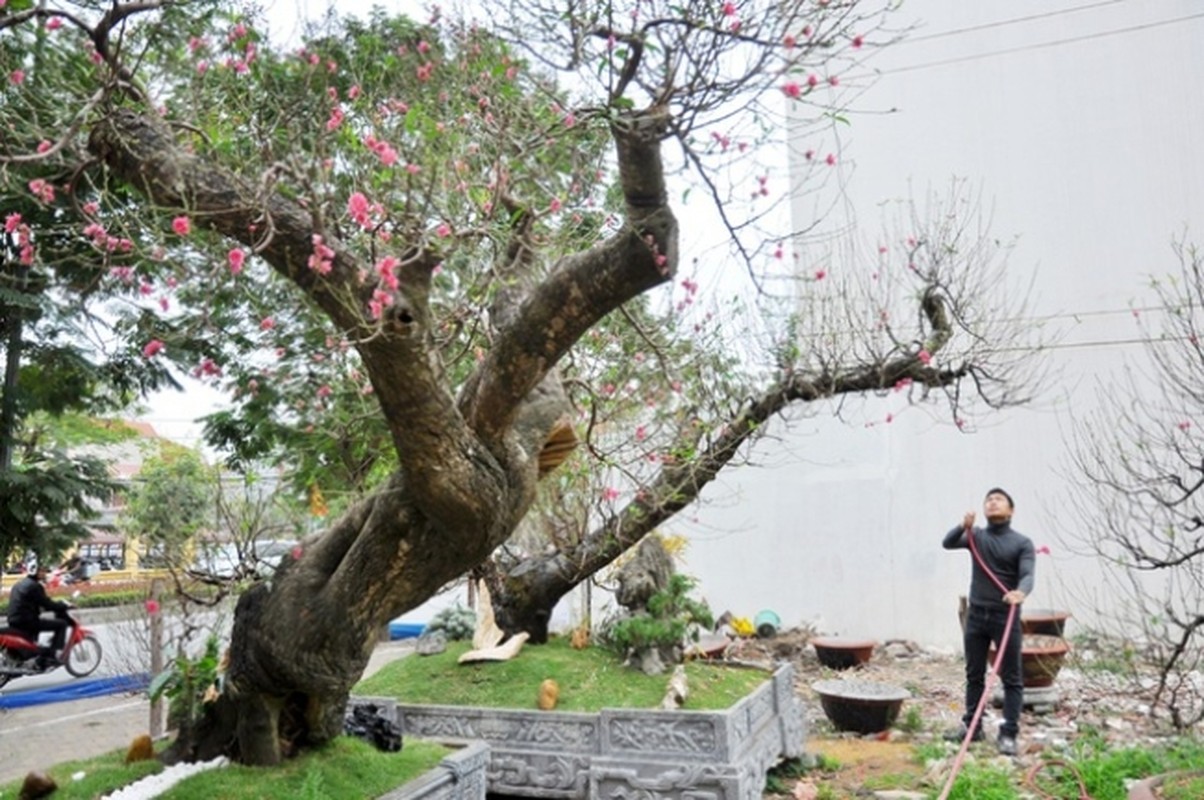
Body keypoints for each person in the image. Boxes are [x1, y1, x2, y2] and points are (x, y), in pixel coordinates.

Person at [942, 487, 1035, 756]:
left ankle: (1008, 734)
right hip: (977, 616)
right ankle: (972, 727)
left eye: (999, 499)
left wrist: (1021, 592)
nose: (993, 502)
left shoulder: (1022, 543)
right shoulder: (976, 537)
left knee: (1012, 678)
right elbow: (947, 543)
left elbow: (1027, 575)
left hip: (1005, 618)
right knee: (974, 675)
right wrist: (963, 525)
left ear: (1011, 510)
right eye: (989, 500)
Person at [5, 563, 73, 667]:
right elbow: (47, 604)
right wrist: (63, 606)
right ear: (35, 572)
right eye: (42, 571)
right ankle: (52, 657)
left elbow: (31, 602)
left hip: (14, 620)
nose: (45, 573)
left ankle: (37, 656)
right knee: (61, 624)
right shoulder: (35, 586)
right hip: (27, 621)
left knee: (41, 624)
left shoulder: (19, 584)